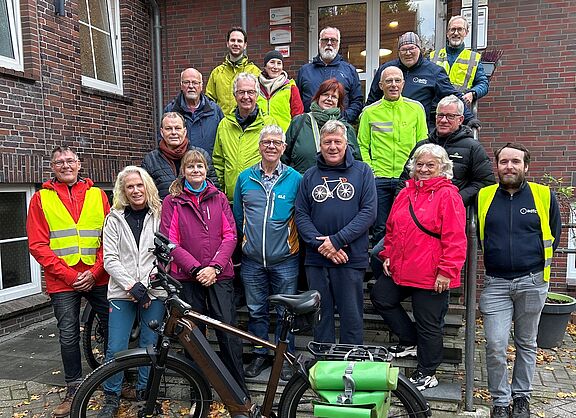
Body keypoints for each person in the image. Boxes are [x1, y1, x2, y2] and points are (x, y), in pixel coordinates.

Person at [370, 144, 467, 391]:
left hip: (432, 272)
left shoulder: (449, 196)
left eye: (430, 165)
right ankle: (409, 339)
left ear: (442, 168)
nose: (423, 169)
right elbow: (391, 228)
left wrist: (447, 271)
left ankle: (427, 371)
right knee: (381, 297)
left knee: (429, 324)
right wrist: (388, 255)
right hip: (403, 266)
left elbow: (455, 237)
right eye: (420, 164)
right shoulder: (405, 193)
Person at [478, 143, 562, 418]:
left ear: (526, 166)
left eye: (515, 162)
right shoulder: (484, 196)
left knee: (527, 342)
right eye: (504, 162)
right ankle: (501, 401)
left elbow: (554, 235)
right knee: (495, 344)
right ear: (497, 166)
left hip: (532, 282)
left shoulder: (544, 195)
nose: (509, 167)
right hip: (496, 284)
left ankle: (522, 397)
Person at [26, 146, 110, 417]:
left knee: (113, 329)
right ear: (52, 167)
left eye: (70, 161)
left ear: (79, 164)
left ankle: (115, 382)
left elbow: (110, 238)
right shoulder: (40, 198)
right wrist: (72, 276)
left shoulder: (98, 195)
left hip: (99, 275)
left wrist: (95, 272)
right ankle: (74, 389)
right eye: (59, 162)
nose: (65, 165)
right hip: (63, 280)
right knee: (68, 335)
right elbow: (38, 245)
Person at [160, 149, 248, 397]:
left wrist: (215, 267)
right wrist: (197, 268)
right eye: (191, 167)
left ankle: (238, 391)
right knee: (193, 336)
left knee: (228, 331)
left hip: (220, 275)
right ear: (183, 171)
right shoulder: (172, 201)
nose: (196, 171)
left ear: (206, 170)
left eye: (200, 166)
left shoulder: (219, 197)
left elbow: (230, 235)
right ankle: (198, 392)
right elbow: (171, 242)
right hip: (189, 277)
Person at [295, 120, 376, 345]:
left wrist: (337, 241)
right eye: (327, 142)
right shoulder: (309, 176)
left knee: (351, 317)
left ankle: (351, 365)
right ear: (319, 145)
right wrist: (324, 246)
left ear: (346, 144)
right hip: (317, 258)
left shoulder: (363, 172)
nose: (332, 147)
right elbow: (301, 215)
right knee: (320, 316)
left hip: (350, 258)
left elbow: (368, 213)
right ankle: (323, 363)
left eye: (337, 141)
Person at [233, 125, 302, 381]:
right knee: (256, 310)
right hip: (252, 260)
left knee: (286, 312)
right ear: (259, 146)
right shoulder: (245, 178)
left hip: (285, 258)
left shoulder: (296, 178)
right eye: (266, 142)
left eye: (276, 142)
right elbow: (238, 215)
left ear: (284, 147)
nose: (271, 146)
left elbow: (300, 215)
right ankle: (260, 353)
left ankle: (285, 357)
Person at [98, 166, 166, 417]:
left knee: (150, 344)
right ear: (123, 191)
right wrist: (132, 286)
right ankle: (111, 397)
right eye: (130, 186)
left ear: (146, 186)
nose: (135, 190)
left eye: (139, 185)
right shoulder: (114, 217)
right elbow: (110, 259)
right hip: (122, 292)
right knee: (116, 346)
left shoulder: (159, 214)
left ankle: (145, 395)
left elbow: (164, 254)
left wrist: (146, 287)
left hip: (154, 292)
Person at [358, 66, 428, 245]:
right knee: (380, 228)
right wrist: (371, 171)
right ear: (381, 85)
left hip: (407, 179)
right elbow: (362, 145)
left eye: (397, 80)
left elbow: (423, 144)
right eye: (388, 81)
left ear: (403, 83)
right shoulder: (369, 112)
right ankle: (382, 270)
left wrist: (415, 173)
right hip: (379, 179)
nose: (393, 85)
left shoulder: (416, 109)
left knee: (406, 225)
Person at [396, 95, 495, 207]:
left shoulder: (473, 147)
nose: (443, 120)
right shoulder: (422, 146)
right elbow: (405, 179)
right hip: (418, 210)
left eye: (450, 116)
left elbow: (485, 182)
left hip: (451, 213)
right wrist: (400, 206)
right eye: (440, 115)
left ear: (460, 120)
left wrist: (454, 200)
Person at [366, 32, 478, 130]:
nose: (408, 53)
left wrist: (469, 118)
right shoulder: (387, 70)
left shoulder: (434, 72)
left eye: (412, 48)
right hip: (387, 130)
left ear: (419, 49)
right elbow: (373, 99)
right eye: (403, 49)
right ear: (398, 52)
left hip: (419, 129)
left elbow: (453, 96)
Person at [212, 72, 276, 201]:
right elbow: (218, 162)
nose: (246, 97)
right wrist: (220, 192)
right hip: (230, 199)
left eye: (250, 92)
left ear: (257, 95)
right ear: (235, 95)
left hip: (260, 199)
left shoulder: (269, 124)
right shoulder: (224, 125)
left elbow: (276, 161)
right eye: (241, 92)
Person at [283, 78, 361, 175]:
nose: (329, 99)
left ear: (338, 102)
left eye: (334, 97)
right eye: (325, 94)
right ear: (318, 97)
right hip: (301, 184)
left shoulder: (346, 128)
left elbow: (356, 161)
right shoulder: (299, 122)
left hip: (336, 184)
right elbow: (283, 156)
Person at [142, 111, 218, 199]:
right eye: (168, 128)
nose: (173, 132)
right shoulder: (150, 161)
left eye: (177, 128)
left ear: (184, 131)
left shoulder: (202, 155)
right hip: (163, 211)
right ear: (162, 132)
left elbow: (214, 189)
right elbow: (146, 195)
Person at [296, 27, 364, 123]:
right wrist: (303, 121)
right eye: (325, 40)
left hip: (338, 128)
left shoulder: (349, 71)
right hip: (309, 127)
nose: (329, 43)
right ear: (319, 43)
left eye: (333, 40)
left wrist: (343, 119)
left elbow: (357, 101)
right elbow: (296, 100)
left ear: (338, 44)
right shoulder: (305, 71)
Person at [162, 67, 224, 156]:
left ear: (201, 86)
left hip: (208, 167)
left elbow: (223, 142)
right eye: (186, 82)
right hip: (180, 167)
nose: (191, 86)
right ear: (181, 85)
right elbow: (163, 142)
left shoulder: (214, 111)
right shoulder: (171, 110)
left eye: (195, 82)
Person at [430, 16, 489, 106]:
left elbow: (483, 83)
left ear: (466, 32)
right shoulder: (432, 56)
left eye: (460, 29)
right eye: (452, 29)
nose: (456, 33)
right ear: (447, 33)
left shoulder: (474, 58)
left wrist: (473, 93)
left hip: (460, 109)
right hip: (435, 109)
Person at [206, 27, 260, 116]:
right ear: (227, 43)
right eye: (233, 40)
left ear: (245, 45)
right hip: (223, 125)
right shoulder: (217, 73)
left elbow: (260, 101)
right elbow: (210, 101)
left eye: (239, 41)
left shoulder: (255, 71)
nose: (236, 44)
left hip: (248, 125)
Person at [257, 50, 304, 132]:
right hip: (259, 137)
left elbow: (298, 117)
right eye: (272, 62)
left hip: (283, 137)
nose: (275, 67)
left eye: (279, 63)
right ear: (265, 66)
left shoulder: (291, 88)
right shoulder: (255, 87)